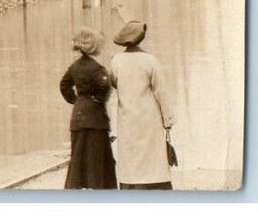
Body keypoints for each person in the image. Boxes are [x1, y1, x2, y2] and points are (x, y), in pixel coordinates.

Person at [109, 20, 176, 190]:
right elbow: (162, 92)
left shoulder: (116, 61)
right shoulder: (151, 61)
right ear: (141, 38)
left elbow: (114, 83)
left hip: (127, 118)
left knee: (131, 158)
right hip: (149, 119)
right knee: (152, 158)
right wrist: (167, 120)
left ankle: (131, 190)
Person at [59, 27, 117, 189]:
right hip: (96, 120)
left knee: (77, 158)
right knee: (97, 160)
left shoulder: (74, 66)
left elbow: (64, 85)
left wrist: (77, 101)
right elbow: (105, 86)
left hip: (78, 118)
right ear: (94, 47)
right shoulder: (98, 69)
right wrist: (98, 100)